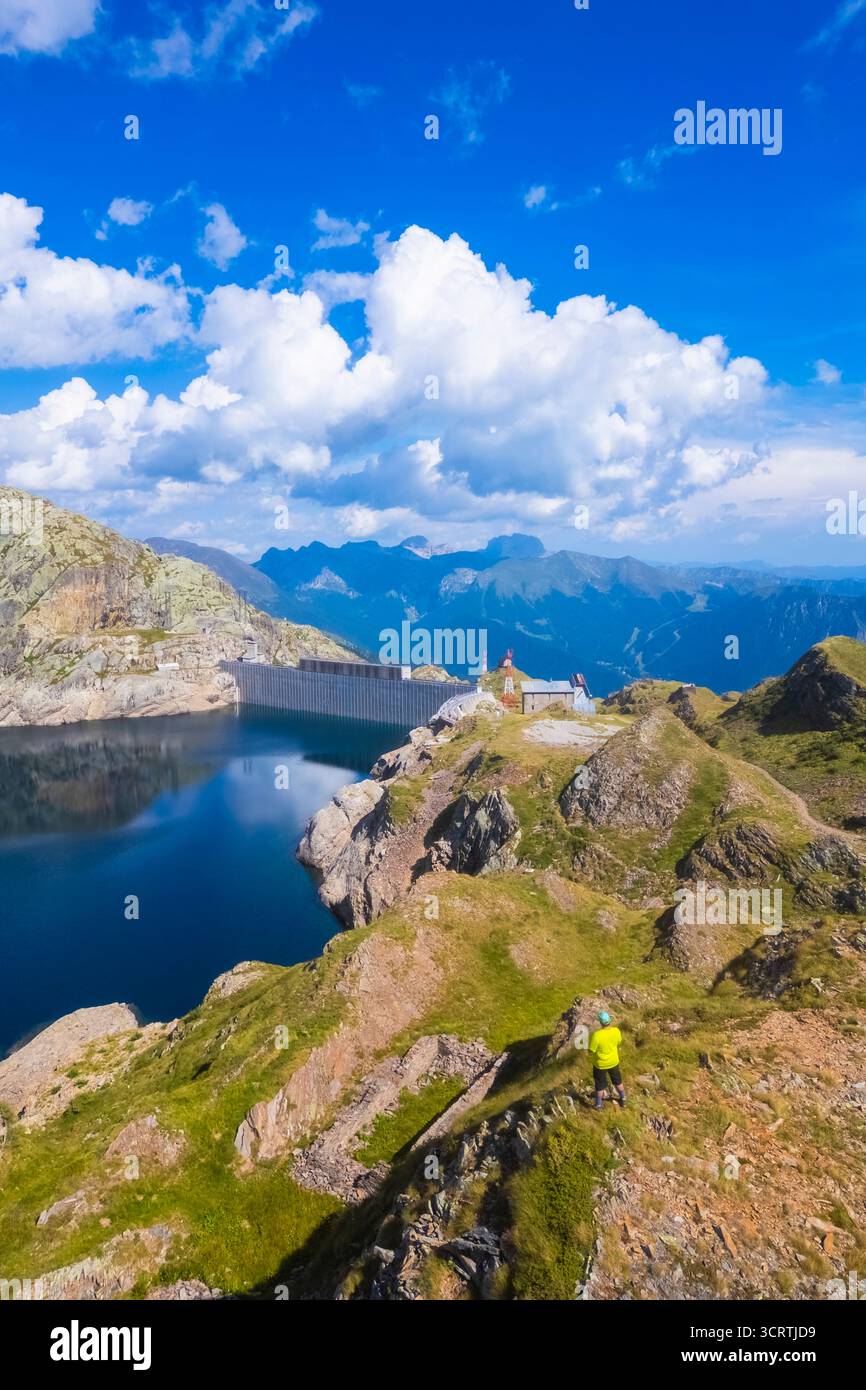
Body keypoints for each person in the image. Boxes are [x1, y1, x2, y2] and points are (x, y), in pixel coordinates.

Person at [589, 1010, 625, 1110]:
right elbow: (618, 1042)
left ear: (600, 1022)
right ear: (609, 1020)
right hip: (613, 1062)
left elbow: (591, 1050)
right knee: (618, 1081)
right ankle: (623, 1098)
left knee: (600, 1085)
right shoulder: (616, 1031)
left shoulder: (597, 1035)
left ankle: (599, 1104)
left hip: (600, 1065)